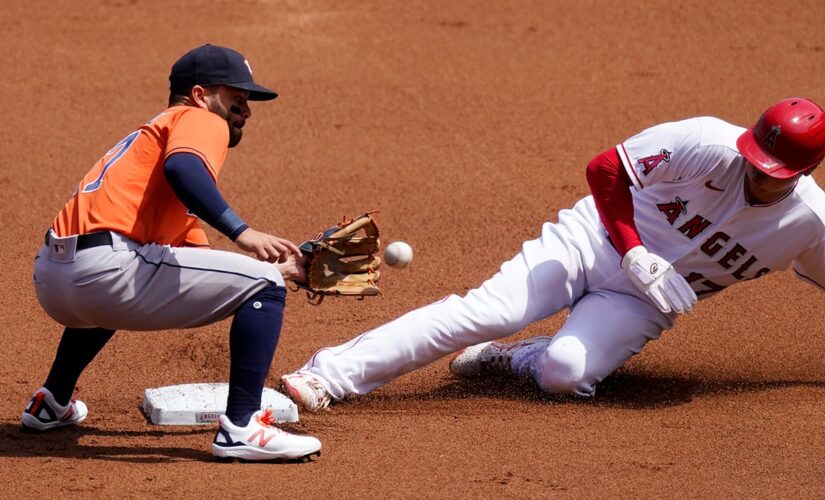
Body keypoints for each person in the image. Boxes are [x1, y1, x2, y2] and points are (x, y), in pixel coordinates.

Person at [280, 97, 825, 411]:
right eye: (754, 159)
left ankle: (518, 355)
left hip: (641, 301)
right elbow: (605, 168)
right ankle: (330, 375)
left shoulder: (810, 223)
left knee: (566, 375)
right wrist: (634, 249)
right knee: (487, 312)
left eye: (770, 172)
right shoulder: (707, 141)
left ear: (805, 172)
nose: (753, 172)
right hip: (590, 239)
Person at [22, 44, 322, 462]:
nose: (245, 111)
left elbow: (199, 271)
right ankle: (242, 427)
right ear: (201, 95)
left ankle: (51, 402)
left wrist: (285, 269)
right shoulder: (198, 119)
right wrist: (243, 234)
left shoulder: (146, 146)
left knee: (262, 280)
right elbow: (184, 169)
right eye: (236, 99)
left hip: (55, 277)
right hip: (107, 270)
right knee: (264, 285)